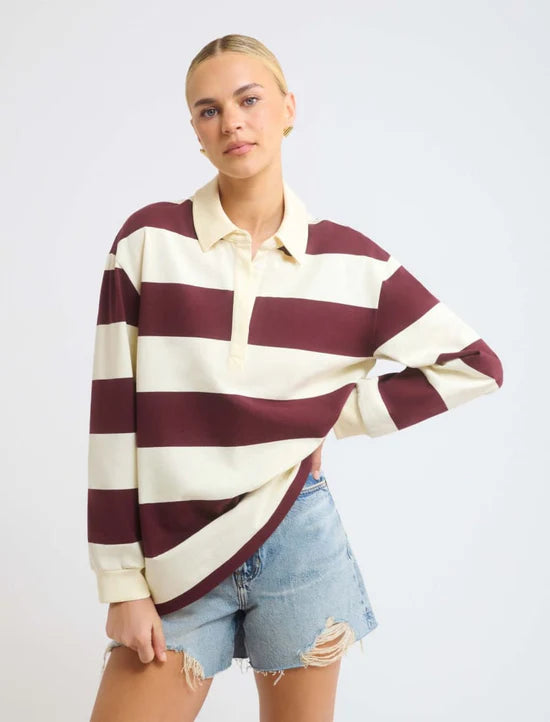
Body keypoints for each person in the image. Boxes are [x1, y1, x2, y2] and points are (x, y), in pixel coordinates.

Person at [88, 34, 503, 722]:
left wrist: (328, 415)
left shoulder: (352, 265)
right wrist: (121, 582)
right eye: (209, 110)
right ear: (195, 131)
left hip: (300, 539)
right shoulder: (148, 244)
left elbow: (475, 365)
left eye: (249, 100)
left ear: (287, 108)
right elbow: (112, 421)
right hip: (174, 555)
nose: (232, 122)